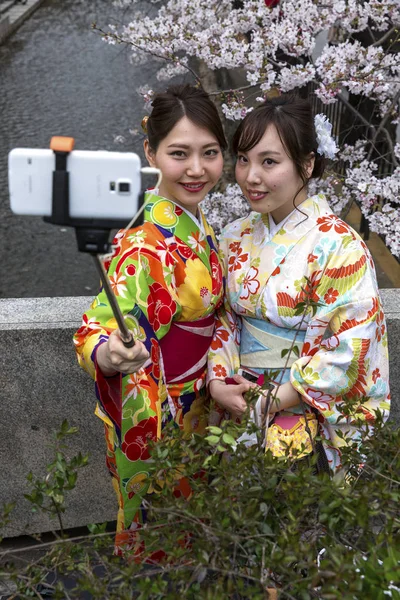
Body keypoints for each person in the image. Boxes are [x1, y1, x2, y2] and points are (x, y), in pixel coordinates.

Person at [74, 84, 227, 556]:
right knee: (173, 528)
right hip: (169, 412)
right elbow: (100, 322)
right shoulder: (146, 240)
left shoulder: (192, 219)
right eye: (179, 153)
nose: (197, 169)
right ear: (151, 152)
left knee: (196, 525)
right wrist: (107, 350)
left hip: (201, 401)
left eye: (211, 153)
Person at [208, 94, 390, 475]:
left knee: (297, 523)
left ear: (307, 165)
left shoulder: (340, 246)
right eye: (243, 159)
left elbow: (352, 345)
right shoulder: (232, 236)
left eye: (268, 162)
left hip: (301, 408)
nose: (250, 176)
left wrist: (276, 398)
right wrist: (219, 381)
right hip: (241, 401)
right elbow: (223, 317)